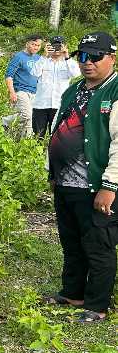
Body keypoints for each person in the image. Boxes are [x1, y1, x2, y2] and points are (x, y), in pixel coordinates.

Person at [45, 31, 118, 323]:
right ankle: (73, 292)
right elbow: (57, 129)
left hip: (96, 186)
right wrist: (52, 172)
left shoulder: (114, 92)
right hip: (67, 183)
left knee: (98, 244)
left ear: (111, 58)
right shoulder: (73, 90)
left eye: (95, 57)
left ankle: (97, 304)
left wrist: (110, 186)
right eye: (83, 57)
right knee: (71, 241)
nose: (87, 63)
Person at [30, 36, 80, 139]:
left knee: (58, 137)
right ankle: (37, 154)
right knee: (38, 136)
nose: (57, 48)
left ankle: (52, 155)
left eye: (59, 45)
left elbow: (76, 74)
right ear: (49, 46)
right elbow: (34, 73)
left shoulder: (68, 62)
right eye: (54, 45)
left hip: (59, 105)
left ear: (64, 46)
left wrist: (67, 56)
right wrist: (44, 55)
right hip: (41, 105)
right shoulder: (43, 61)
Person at [5, 34, 43, 137]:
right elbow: (9, 76)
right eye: (33, 44)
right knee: (27, 115)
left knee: (29, 116)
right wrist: (12, 92)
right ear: (27, 44)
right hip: (21, 90)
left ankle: (5, 122)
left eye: (38, 45)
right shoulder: (19, 57)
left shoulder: (39, 58)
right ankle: (26, 141)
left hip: (34, 92)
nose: (35, 47)